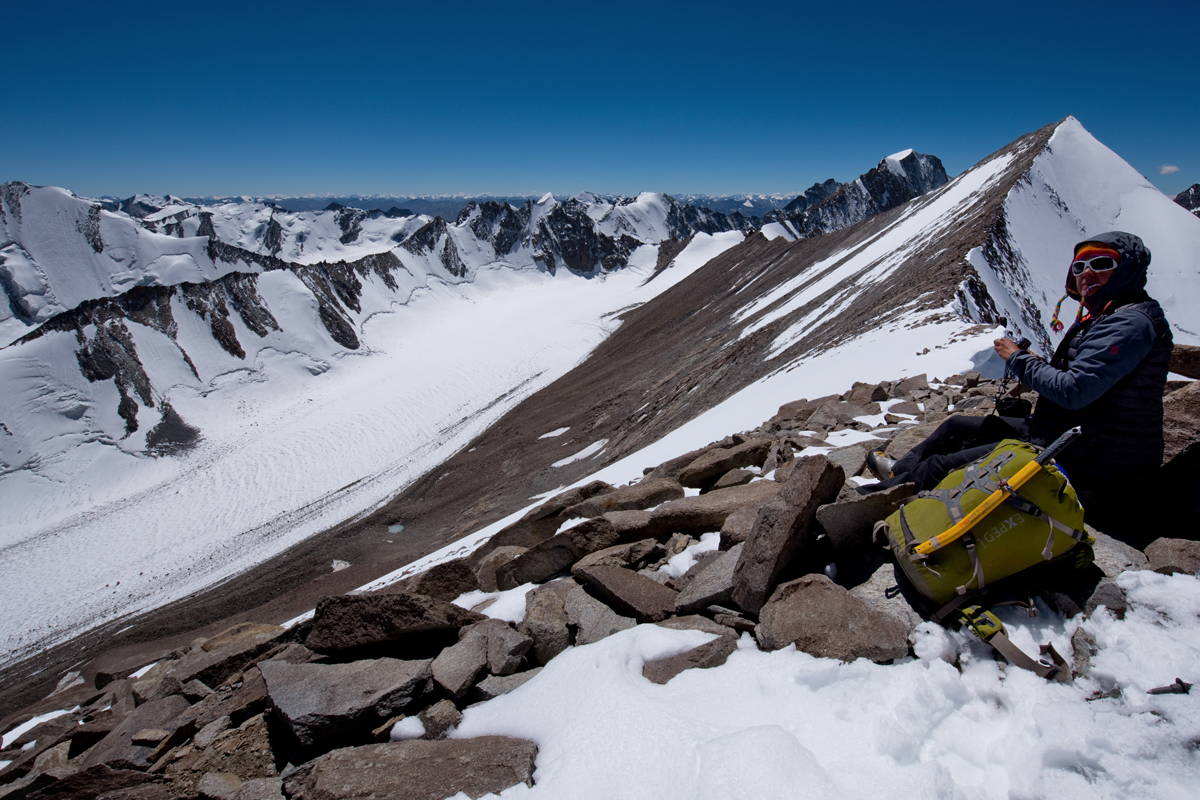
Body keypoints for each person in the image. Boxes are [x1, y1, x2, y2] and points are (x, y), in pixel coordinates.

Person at [862, 231, 1173, 543]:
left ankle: (870, 507)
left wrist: (1019, 359)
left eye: (1102, 263)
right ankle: (899, 473)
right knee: (957, 426)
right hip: (1071, 432)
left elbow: (1075, 391)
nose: (1086, 273)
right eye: (1079, 268)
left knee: (942, 465)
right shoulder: (1110, 314)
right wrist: (1034, 362)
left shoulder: (1128, 323)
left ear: (1127, 268)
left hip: (1095, 456)